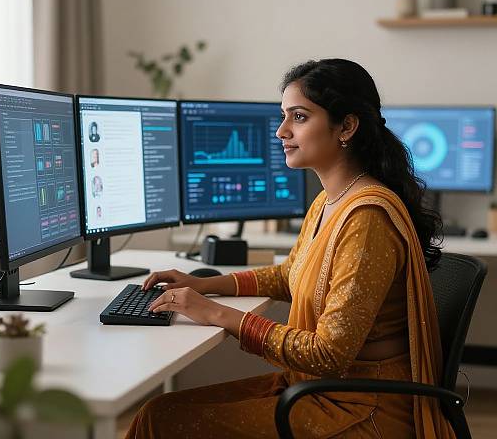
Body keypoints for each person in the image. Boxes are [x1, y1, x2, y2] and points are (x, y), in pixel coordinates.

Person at [126, 59, 454, 439]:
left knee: (164, 423)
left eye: (299, 117)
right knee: (157, 412)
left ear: (346, 126)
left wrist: (217, 314)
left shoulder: (366, 220)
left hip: (361, 408)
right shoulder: (330, 201)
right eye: (284, 117)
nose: (281, 131)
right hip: (321, 390)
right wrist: (206, 284)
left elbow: (328, 355)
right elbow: (290, 275)